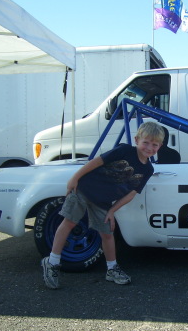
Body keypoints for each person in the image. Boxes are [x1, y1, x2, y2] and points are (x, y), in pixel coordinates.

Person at [41, 122, 164, 289]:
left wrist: (112, 211)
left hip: (103, 202)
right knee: (69, 222)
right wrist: (74, 178)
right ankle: (52, 262)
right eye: (146, 142)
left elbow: (132, 193)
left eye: (154, 144)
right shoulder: (124, 151)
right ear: (137, 140)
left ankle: (112, 269)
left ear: (160, 146)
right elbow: (96, 162)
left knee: (107, 233)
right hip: (84, 189)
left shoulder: (148, 169)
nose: (149, 147)